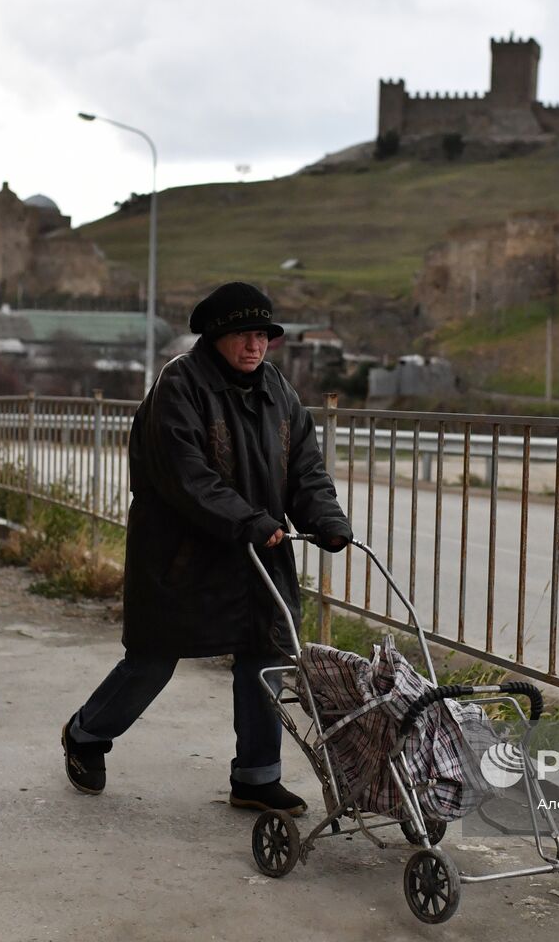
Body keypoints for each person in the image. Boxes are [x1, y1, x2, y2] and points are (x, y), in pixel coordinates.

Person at [60, 281, 351, 816]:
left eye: (262, 335)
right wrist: (248, 520)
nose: (254, 345)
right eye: (242, 335)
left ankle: (257, 778)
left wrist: (327, 520)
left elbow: (305, 468)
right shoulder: (179, 384)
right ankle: (86, 734)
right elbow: (184, 476)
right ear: (216, 337)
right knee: (152, 660)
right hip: (182, 556)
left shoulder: (279, 392)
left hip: (257, 552)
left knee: (264, 661)